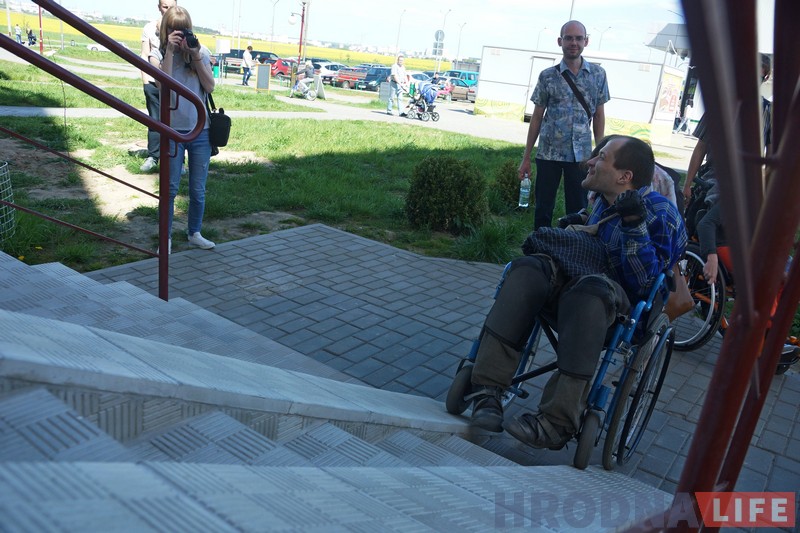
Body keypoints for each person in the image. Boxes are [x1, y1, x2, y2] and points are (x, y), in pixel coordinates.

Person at [468, 135, 686, 450]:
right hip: (573, 287)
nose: (590, 162)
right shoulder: (602, 199)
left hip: (613, 310)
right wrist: (581, 221)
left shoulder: (662, 214)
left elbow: (646, 285)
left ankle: (557, 422)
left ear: (624, 177)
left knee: (589, 293)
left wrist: (634, 226)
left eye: (601, 158)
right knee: (528, 270)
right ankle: (487, 390)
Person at [519, 20, 610, 230]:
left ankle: (573, 247)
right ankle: (540, 245)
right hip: (548, 154)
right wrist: (526, 157)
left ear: (586, 41)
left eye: (578, 38)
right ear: (560, 41)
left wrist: (600, 153)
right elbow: (537, 117)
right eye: (569, 38)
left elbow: (599, 116)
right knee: (543, 208)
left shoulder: (598, 75)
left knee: (578, 209)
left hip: (582, 156)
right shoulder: (548, 76)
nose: (573, 43)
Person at [149, 5, 216, 252]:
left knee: (198, 189)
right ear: (165, 31)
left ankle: (194, 233)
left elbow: (210, 87)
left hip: (201, 131)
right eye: (174, 30)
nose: (179, 35)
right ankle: (165, 238)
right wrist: (170, 52)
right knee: (170, 189)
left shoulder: (201, 52)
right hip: (172, 131)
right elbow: (162, 85)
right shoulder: (157, 54)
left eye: (183, 30)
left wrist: (195, 55)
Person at [140, 0, 177, 173]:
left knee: (176, 121)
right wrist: (145, 80)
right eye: (165, 6)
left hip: (174, 83)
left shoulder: (180, 28)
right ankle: (153, 156)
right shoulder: (149, 28)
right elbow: (144, 54)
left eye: (171, 7)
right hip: (153, 81)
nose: (168, 10)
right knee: (154, 119)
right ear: (159, 7)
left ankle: (177, 159)